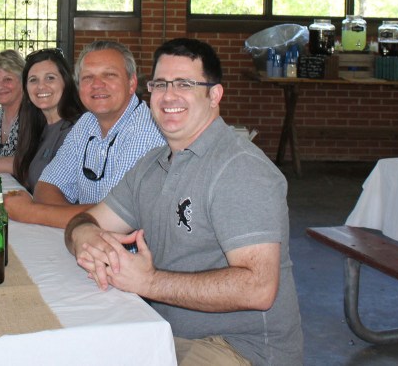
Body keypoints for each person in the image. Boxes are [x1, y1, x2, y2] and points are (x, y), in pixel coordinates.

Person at [64, 38, 303, 366]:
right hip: (163, 332)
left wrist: (148, 282)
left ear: (214, 95)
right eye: (160, 84)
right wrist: (86, 238)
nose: (168, 95)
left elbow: (259, 288)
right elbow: (85, 221)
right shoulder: (152, 165)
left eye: (185, 84)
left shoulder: (240, 169)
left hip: (238, 349)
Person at [4, 40, 166, 228]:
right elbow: (46, 186)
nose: (97, 84)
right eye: (88, 77)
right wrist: (77, 222)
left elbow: (117, 217)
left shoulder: (147, 132)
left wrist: (31, 212)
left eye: (109, 75)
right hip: (87, 244)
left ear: (132, 83)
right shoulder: (86, 123)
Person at [0, 48, 85, 189]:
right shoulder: (2, 117)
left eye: (8, 79)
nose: (0, 86)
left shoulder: (70, 128)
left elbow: (29, 164)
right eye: (34, 80)